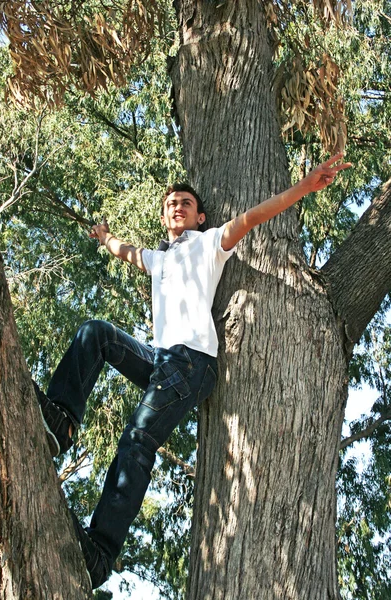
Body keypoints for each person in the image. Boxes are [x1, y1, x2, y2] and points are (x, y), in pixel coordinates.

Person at [34, 153, 351, 589]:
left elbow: (255, 215)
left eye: (185, 202)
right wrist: (105, 238)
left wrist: (305, 187)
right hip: (160, 360)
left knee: (137, 440)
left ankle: (101, 552)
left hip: (191, 363)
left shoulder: (209, 243)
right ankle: (60, 419)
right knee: (96, 334)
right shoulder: (160, 259)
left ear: (200, 216)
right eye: (170, 204)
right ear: (164, 217)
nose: (177, 206)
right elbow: (127, 252)